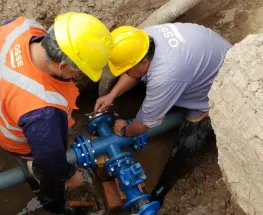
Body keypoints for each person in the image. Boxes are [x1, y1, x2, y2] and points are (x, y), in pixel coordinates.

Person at [94, 23, 232, 206]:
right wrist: (112, 94)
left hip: (223, 85)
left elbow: (143, 124)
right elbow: (133, 71)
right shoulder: (143, 39)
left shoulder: (165, 76)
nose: (125, 73)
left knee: (189, 136)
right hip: (211, 59)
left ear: (145, 63)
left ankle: (163, 187)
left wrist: (126, 131)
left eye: (126, 69)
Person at [0, 12, 113, 214]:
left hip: (6, 106)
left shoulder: (23, 26)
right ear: (62, 65)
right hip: (18, 142)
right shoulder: (43, 109)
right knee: (46, 180)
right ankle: (54, 205)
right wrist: (68, 176)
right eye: (78, 71)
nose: (79, 75)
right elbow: (49, 159)